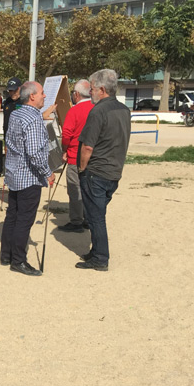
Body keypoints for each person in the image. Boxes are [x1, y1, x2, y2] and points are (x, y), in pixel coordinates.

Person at [76, 68, 131, 272]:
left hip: (97, 172)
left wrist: (82, 169)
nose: (89, 93)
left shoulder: (98, 111)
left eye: (91, 89)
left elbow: (87, 147)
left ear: (101, 89)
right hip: (114, 171)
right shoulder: (124, 110)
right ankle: (97, 250)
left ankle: (100, 257)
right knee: (96, 213)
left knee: (96, 217)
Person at [0, 81, 55, 276]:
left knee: (13, 214)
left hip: (15, 173)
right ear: (32, 96)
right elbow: (34, 152)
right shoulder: (32, 118)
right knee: (24, 218)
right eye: (41, 93)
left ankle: (6, 254)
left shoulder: (16, 113)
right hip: (28, 175)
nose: (44, 96)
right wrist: (47, 172)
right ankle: (18, 260)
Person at [59, 79, 94, 233]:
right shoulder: (96, 108)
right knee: (89, 189)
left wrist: (64, 149)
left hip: (75, 156)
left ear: (77, 94)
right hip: (93, 156)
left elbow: (66, 134)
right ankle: (88, 218)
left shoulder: (74, 111)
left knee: (75, 190)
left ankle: (76, 221)